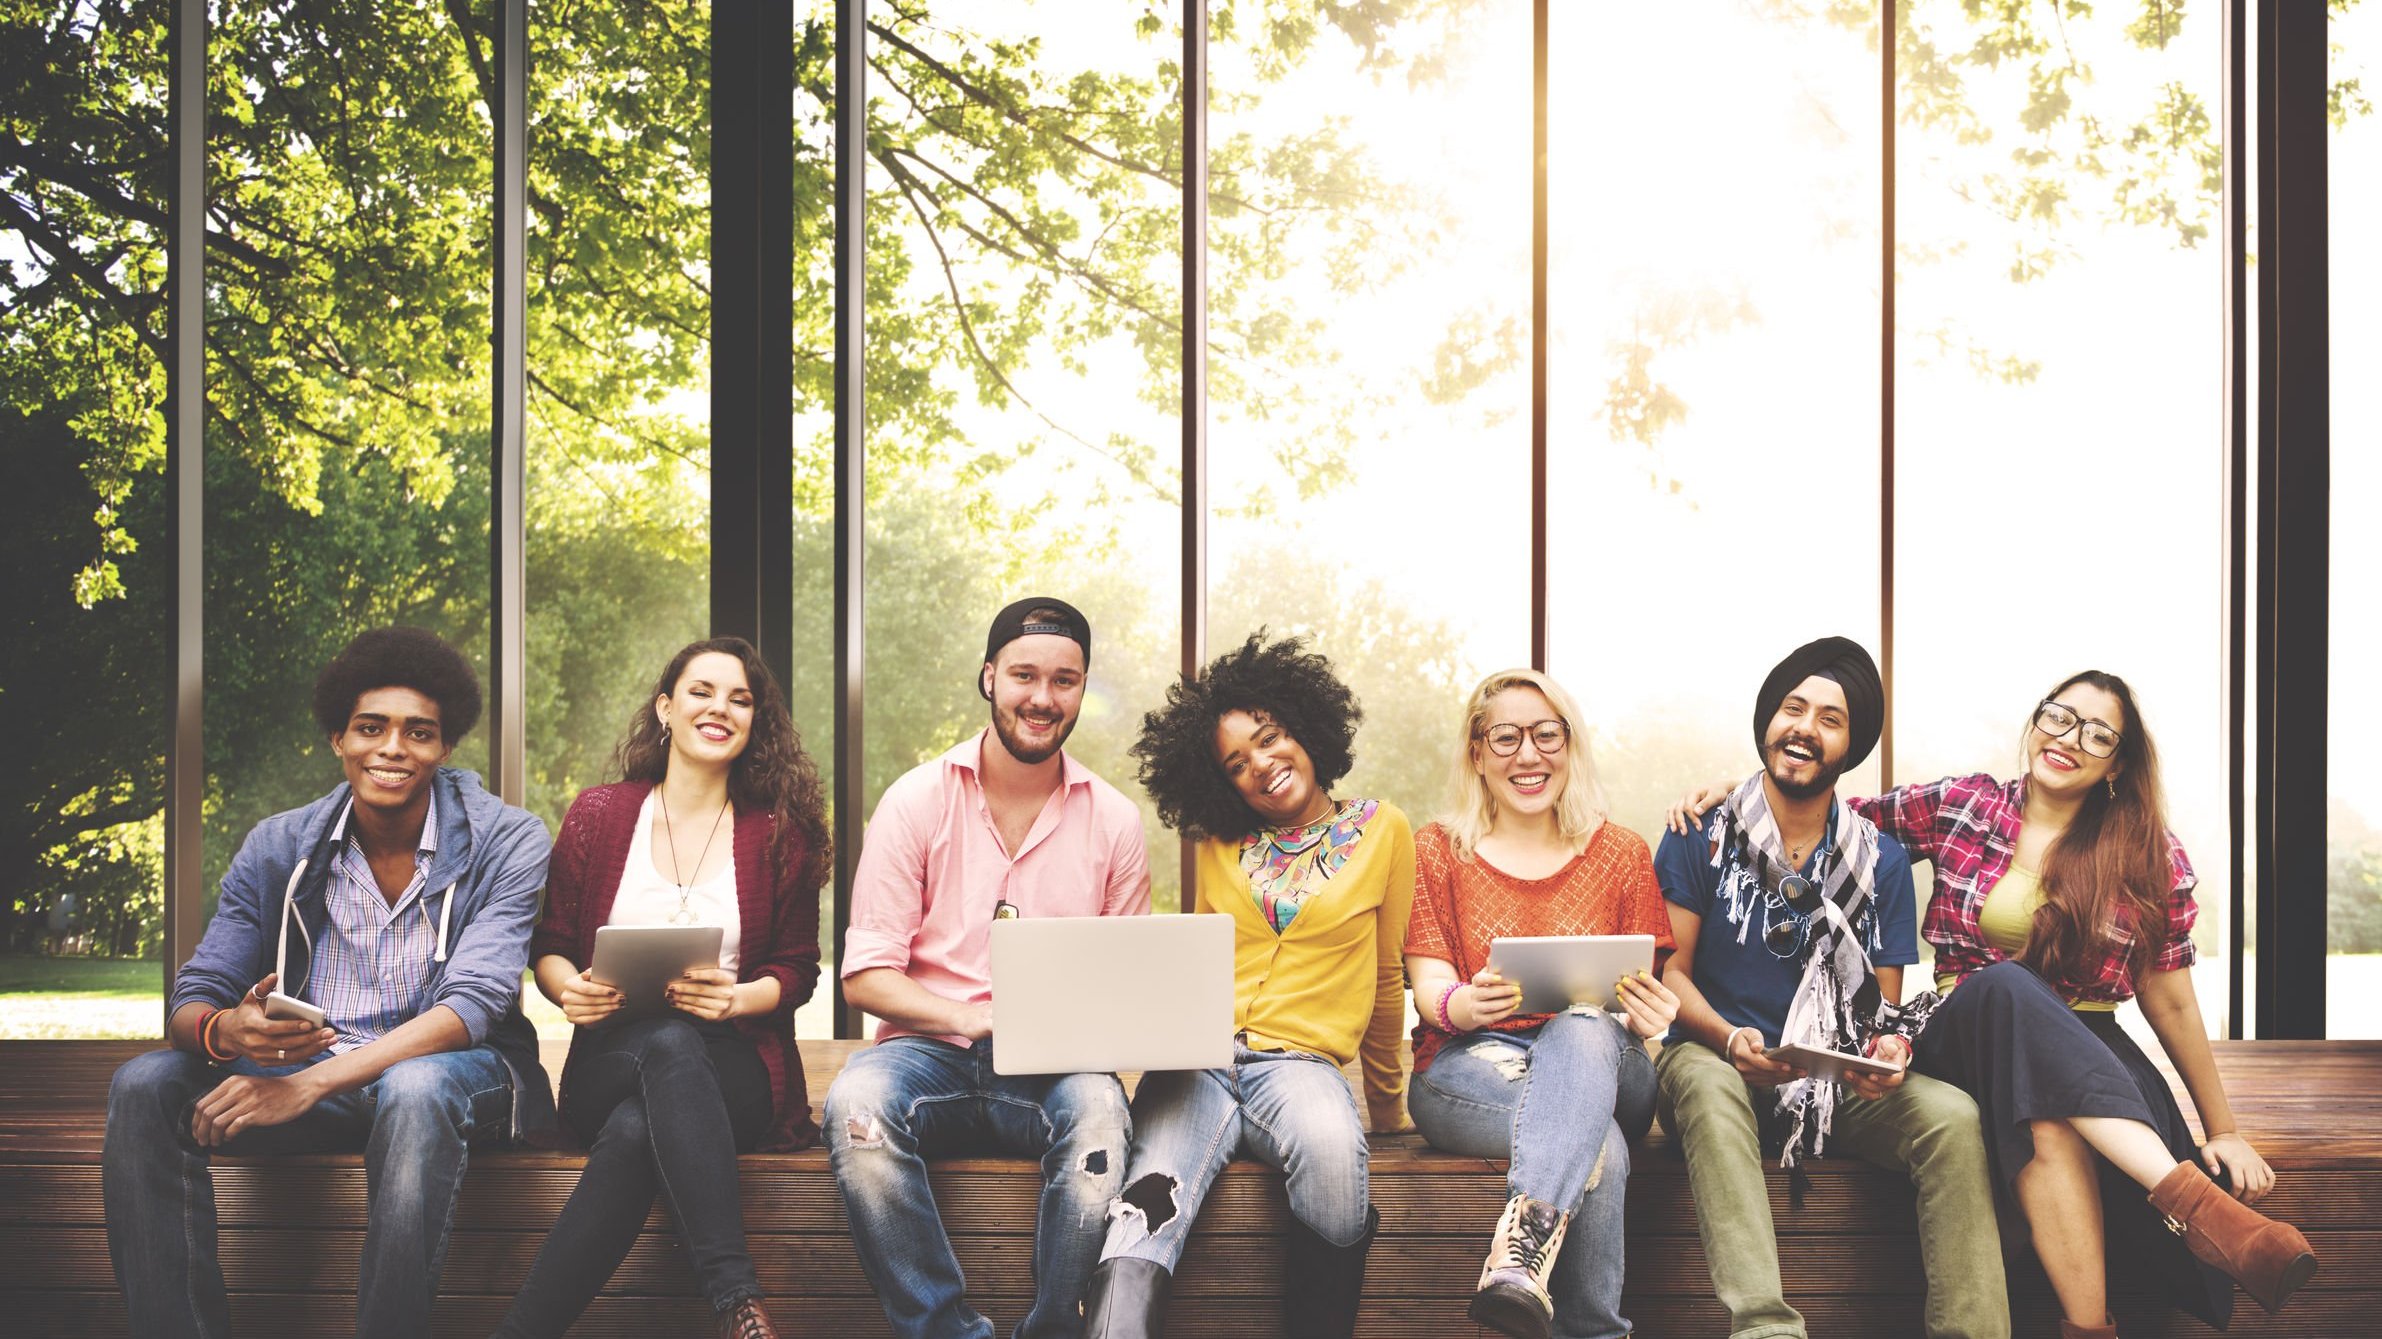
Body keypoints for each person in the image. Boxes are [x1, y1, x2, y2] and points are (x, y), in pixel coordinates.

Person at [103, 627, 555, 1338]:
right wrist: (229, 1031)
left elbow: (473, 1004)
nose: (393, 748)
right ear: (337, 739)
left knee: (415, 1086)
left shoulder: (510, 839)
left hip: (457, 1076)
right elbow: (193, 997)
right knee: (144, 1084)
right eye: (371, 727)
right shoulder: (280, 843)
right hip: (311, 1074)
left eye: (419, 732)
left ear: (444, 747)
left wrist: (308, 1083)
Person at [1838, 673, 2313, 1337]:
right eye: (2059, 718)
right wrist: (1736, 797)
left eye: (2096, 733)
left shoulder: (2148, 854)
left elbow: (2172, 1002)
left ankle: (2090, 1329)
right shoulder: (1964, 802)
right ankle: (2205, 1211)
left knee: (2051, 1117)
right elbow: (1836, 820)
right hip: (1964, 1025)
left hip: (2087, 1048)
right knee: (2006, 984)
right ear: (2036, 723)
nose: (2069, 739)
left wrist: (2223, 1126)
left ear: (2117, 762)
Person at [1653, 636, 2008, 1339]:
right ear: (1767, 721)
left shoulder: (1882, 859)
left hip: (1828, 1080)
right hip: (1717, 1056)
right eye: (1793, 708)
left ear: (1850, 746)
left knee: (1954, 1117)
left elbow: (1877, 1009)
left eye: (1830, 718)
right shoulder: (1702, 834)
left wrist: (1885, 1052)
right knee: (1702, 1077)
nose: (1805, 728)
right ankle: (1766, 1329)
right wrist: (1729, 1037)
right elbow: (1671, 973)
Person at [825, 597, 1150, 1339]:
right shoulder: (914, 801)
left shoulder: (1116, 820)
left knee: (1102, 1112)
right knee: (856, 1106)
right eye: (1025, 675)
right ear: (988, 677)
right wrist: (968, 1016)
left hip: (1053, 1067)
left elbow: (1127, 984)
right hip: (926, 1055)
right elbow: (866, 976)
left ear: (1082, 689)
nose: (1042, 697)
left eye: (1064, 680)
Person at [494, 637, 830, 1339]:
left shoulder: (779, 832)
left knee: (636, 1127)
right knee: (656, 1059)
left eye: (741, 698)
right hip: (609, 1058)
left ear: (754, 722)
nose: (721, 708)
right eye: (702, 691)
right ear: (666, 708)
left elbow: (798, 968)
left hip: (733, 1062)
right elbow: (550, 945)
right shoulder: (600, 813)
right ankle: (737, 1299)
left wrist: (740, 997)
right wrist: (568, 991)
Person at [1081, 633, 1412, 1339]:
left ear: (1306, 728)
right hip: (1197, 1059)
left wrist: (1386, 1100)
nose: (1262, 765)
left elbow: (1387, 975)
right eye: (1237, 762)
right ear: (1221, 781)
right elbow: (1195, 957)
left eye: (1270, 738)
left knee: (1331, 1149)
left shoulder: (1385, 831)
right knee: (1146, 1202)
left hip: (1300, 1065)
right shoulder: (1215, 842)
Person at [1401, 669, 1679, 1339]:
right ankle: (1580, 1320)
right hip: (1469, 1067)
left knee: (1585, 1023)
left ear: (1571, 744)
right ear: (1477, 752)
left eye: (1546, 734)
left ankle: (1519, 1254)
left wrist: (1651, 1018)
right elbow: (1430, 984)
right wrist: (1465, 1003)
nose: (1528, 755)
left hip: (1611, 1067)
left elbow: (1652, 990)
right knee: (1598, 1143)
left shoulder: (1622, 852)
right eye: (1506, 737)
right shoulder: (1438, 848)